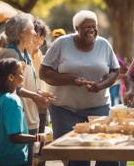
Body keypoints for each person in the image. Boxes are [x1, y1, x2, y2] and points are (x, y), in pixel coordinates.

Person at [40, 10, 120, 166]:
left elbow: (115, 71)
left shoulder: (103, 44)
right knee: (76, 158)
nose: (91, 29)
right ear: (76, 28)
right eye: (86, 26)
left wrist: (100, 85)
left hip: (98, 109)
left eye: (94, 26)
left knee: (105, 154)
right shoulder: (62, 43)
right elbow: (44, 73)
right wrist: (71, 80)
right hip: (65, 110)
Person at [0, 13, 52, 166]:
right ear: (21, 33)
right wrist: (34, 96)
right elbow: (6, 85)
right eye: (32, 30)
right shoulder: (10, 53)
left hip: (15, 114)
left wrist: (40, 93)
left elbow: (23, 83)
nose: (35, 33)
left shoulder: (25, 53)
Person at [0, 58, 46, 166]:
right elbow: (15, 137)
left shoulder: (1, 97)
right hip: (14, 160)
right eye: (21, 74)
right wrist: (40, 137)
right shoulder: (12, 101)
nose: (23, 77)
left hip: (2, 158)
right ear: (11, 77)